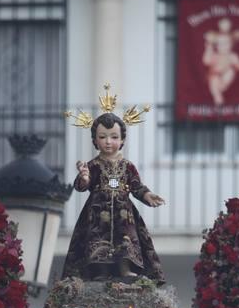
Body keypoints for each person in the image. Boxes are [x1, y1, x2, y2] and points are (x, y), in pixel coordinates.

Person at [61, 111, 165, 283]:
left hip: (123, 213)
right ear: (95, 140)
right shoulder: (92, 165)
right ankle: (100, 271)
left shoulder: (128, 166)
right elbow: (81, 186)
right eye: (103, 137)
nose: (108, 142)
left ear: (122, 140)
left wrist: (147, 195)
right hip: (97, 213)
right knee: (98, 239)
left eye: (114, 137)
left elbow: (136, 186)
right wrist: (84, 178)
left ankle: (125, 268)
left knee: (125, 238)